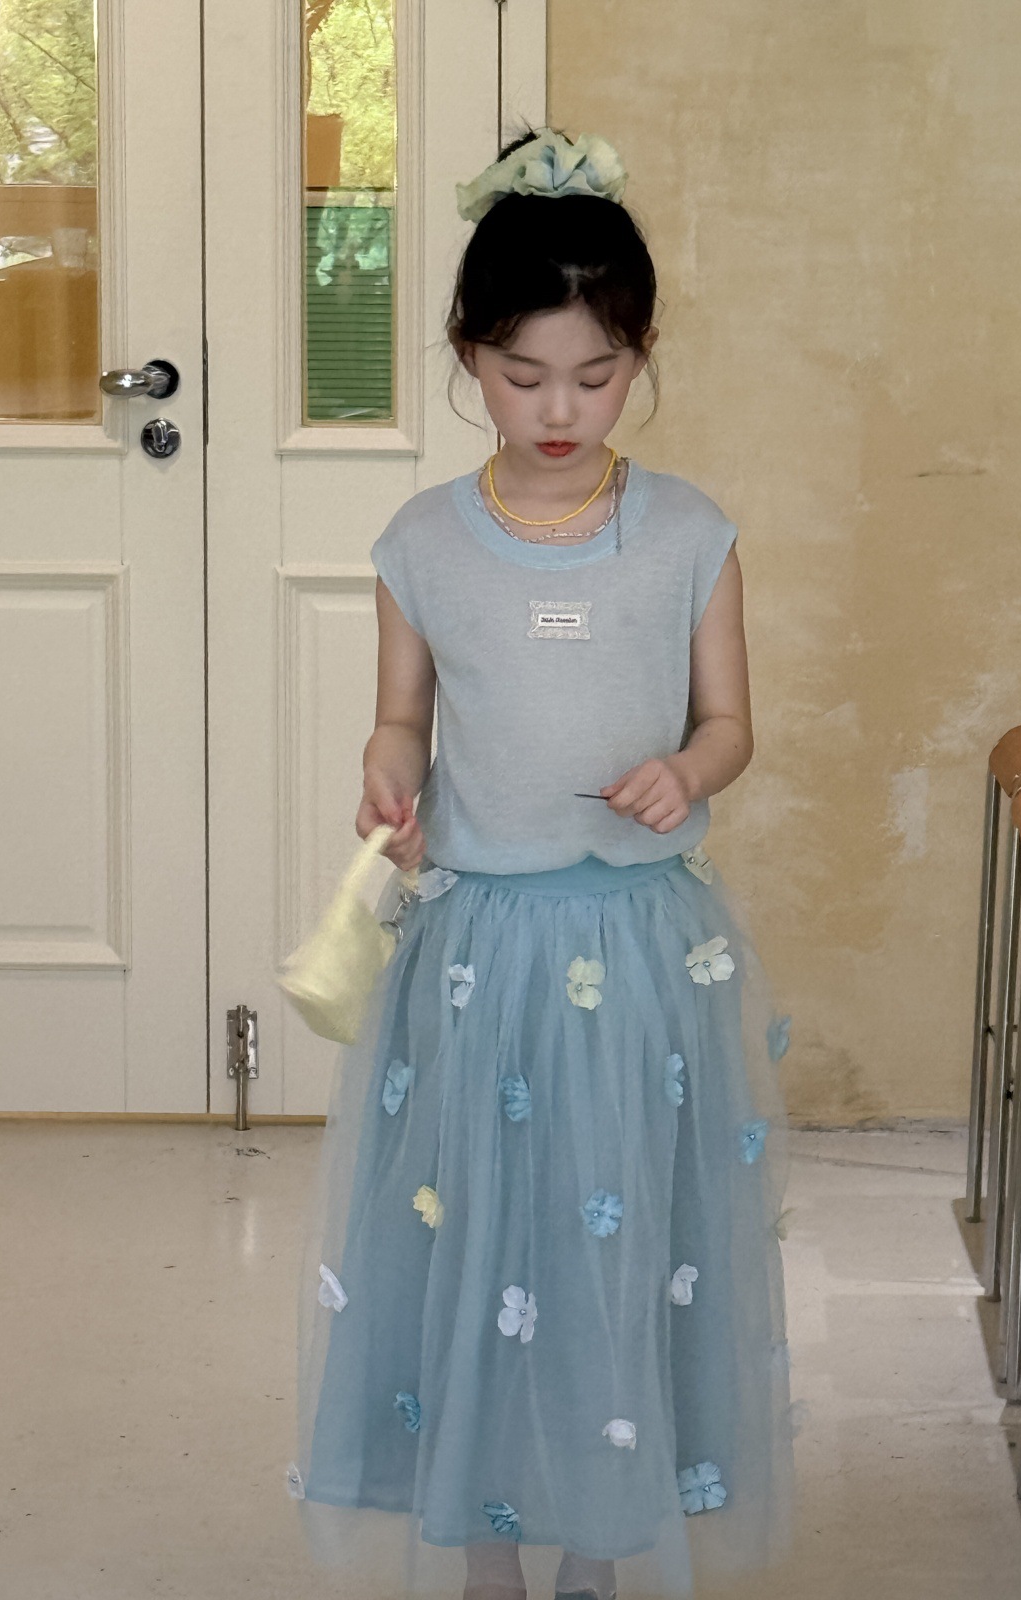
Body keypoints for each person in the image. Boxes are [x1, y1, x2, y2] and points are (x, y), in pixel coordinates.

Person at [288, 124, 796, 1600]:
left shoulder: (689, 536)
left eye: (597, 373)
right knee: (477, 1242)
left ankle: (597, 1543)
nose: (560, 409)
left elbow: (730, 724)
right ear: (467, 353)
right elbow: (403, 716)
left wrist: (685, 772)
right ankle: (486, 1545)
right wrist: (389, 769)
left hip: (639, 949)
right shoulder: (422, 544)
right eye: (523, 376)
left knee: (613, 1245)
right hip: (478, 957)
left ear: (641, 356)